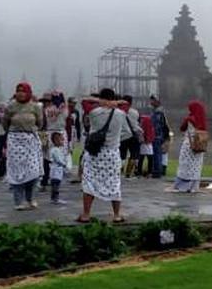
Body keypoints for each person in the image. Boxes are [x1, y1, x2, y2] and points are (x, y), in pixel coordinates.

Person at [78, 88, 128, 222]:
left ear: (101, 98)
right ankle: (117, 214)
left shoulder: (94, 112)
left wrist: (100, 102)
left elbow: (84, 101)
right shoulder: (120, 113)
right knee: (114, 183)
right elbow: (126, 104)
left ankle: (86, 214)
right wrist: (114, 103)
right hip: (112, 153)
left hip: (95, 153)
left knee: (89, 182)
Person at [3, 82, 44, 211]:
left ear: (28, 92)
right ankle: (18, 201)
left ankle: (31, 198)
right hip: (15, 141)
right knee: (17, 172)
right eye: (18, 90)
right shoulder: (10, 107)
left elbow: (40, 123)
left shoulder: (35, 107)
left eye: (23, 91)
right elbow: (5, 123)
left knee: (33, 171)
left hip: (30, 140)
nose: (20, 93)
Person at [170, 101, 207, 193]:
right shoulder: (202, 120)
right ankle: (193, 186)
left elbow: (182, 128)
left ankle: (182, 185)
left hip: (189, 145)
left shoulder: (189, 119)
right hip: (199, 145)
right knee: (195, 166)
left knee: (185, 165)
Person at [120, 95, 143, 178]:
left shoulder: (119, 111)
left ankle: (120, 170)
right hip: (134, 135)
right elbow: (139, 122)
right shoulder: (135, 112)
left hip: (123, 136)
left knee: (122, 155)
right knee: (134, 155)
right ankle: (129, 173)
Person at [148, 95, 169, 179]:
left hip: (157, 136)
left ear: (157, 101)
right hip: (158, 136)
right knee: (157, 154)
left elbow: (156, 126)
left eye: (152, 100)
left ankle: (157, 171)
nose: (151, 102)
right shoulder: (157, 111)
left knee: (157, 154)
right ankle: (156, 170)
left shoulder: (158, 112)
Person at [47, 131, 70, 205]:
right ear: (56, 141)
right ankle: (55, 198)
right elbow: (58, 160)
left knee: (56, 184)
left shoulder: (57, 149)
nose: (63, 141)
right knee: (55, 185)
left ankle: (54, 198)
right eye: (61, 140)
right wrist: (65, 164)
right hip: (55, 171)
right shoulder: (55, 150)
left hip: (57, 171)